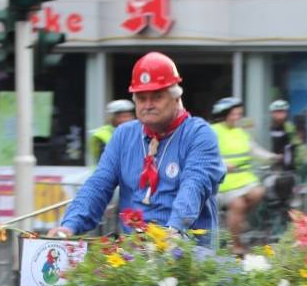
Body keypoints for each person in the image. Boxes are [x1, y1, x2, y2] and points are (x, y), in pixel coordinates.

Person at [56, 52, 225, 238]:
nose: (148, 105)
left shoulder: (199, 133)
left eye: (157, 97)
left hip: (187, 251)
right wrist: (69, 227)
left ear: (176, 98)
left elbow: (194, 185)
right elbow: (98, 185)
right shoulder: (123, 135)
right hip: (133, 255)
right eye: (142, 98)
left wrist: (174, 231)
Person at [211, 96, 274, 254]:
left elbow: (253, 149)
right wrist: (223, 163)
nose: (237, 117)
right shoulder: (213, 131)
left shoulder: (241, 132)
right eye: (234, 114)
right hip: (225, 181)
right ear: (223, 114)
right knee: (237, 204)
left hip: (244, 179)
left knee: (259, 191)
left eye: (239, 114)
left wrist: (272, 157)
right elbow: (208, 154)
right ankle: (236, 244)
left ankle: (238, 218)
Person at [90, 99, 135, 164]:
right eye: (123, 116)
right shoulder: (102, 135)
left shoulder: (134, 132)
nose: (127, 119)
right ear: (112, 117)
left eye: (129, 116)